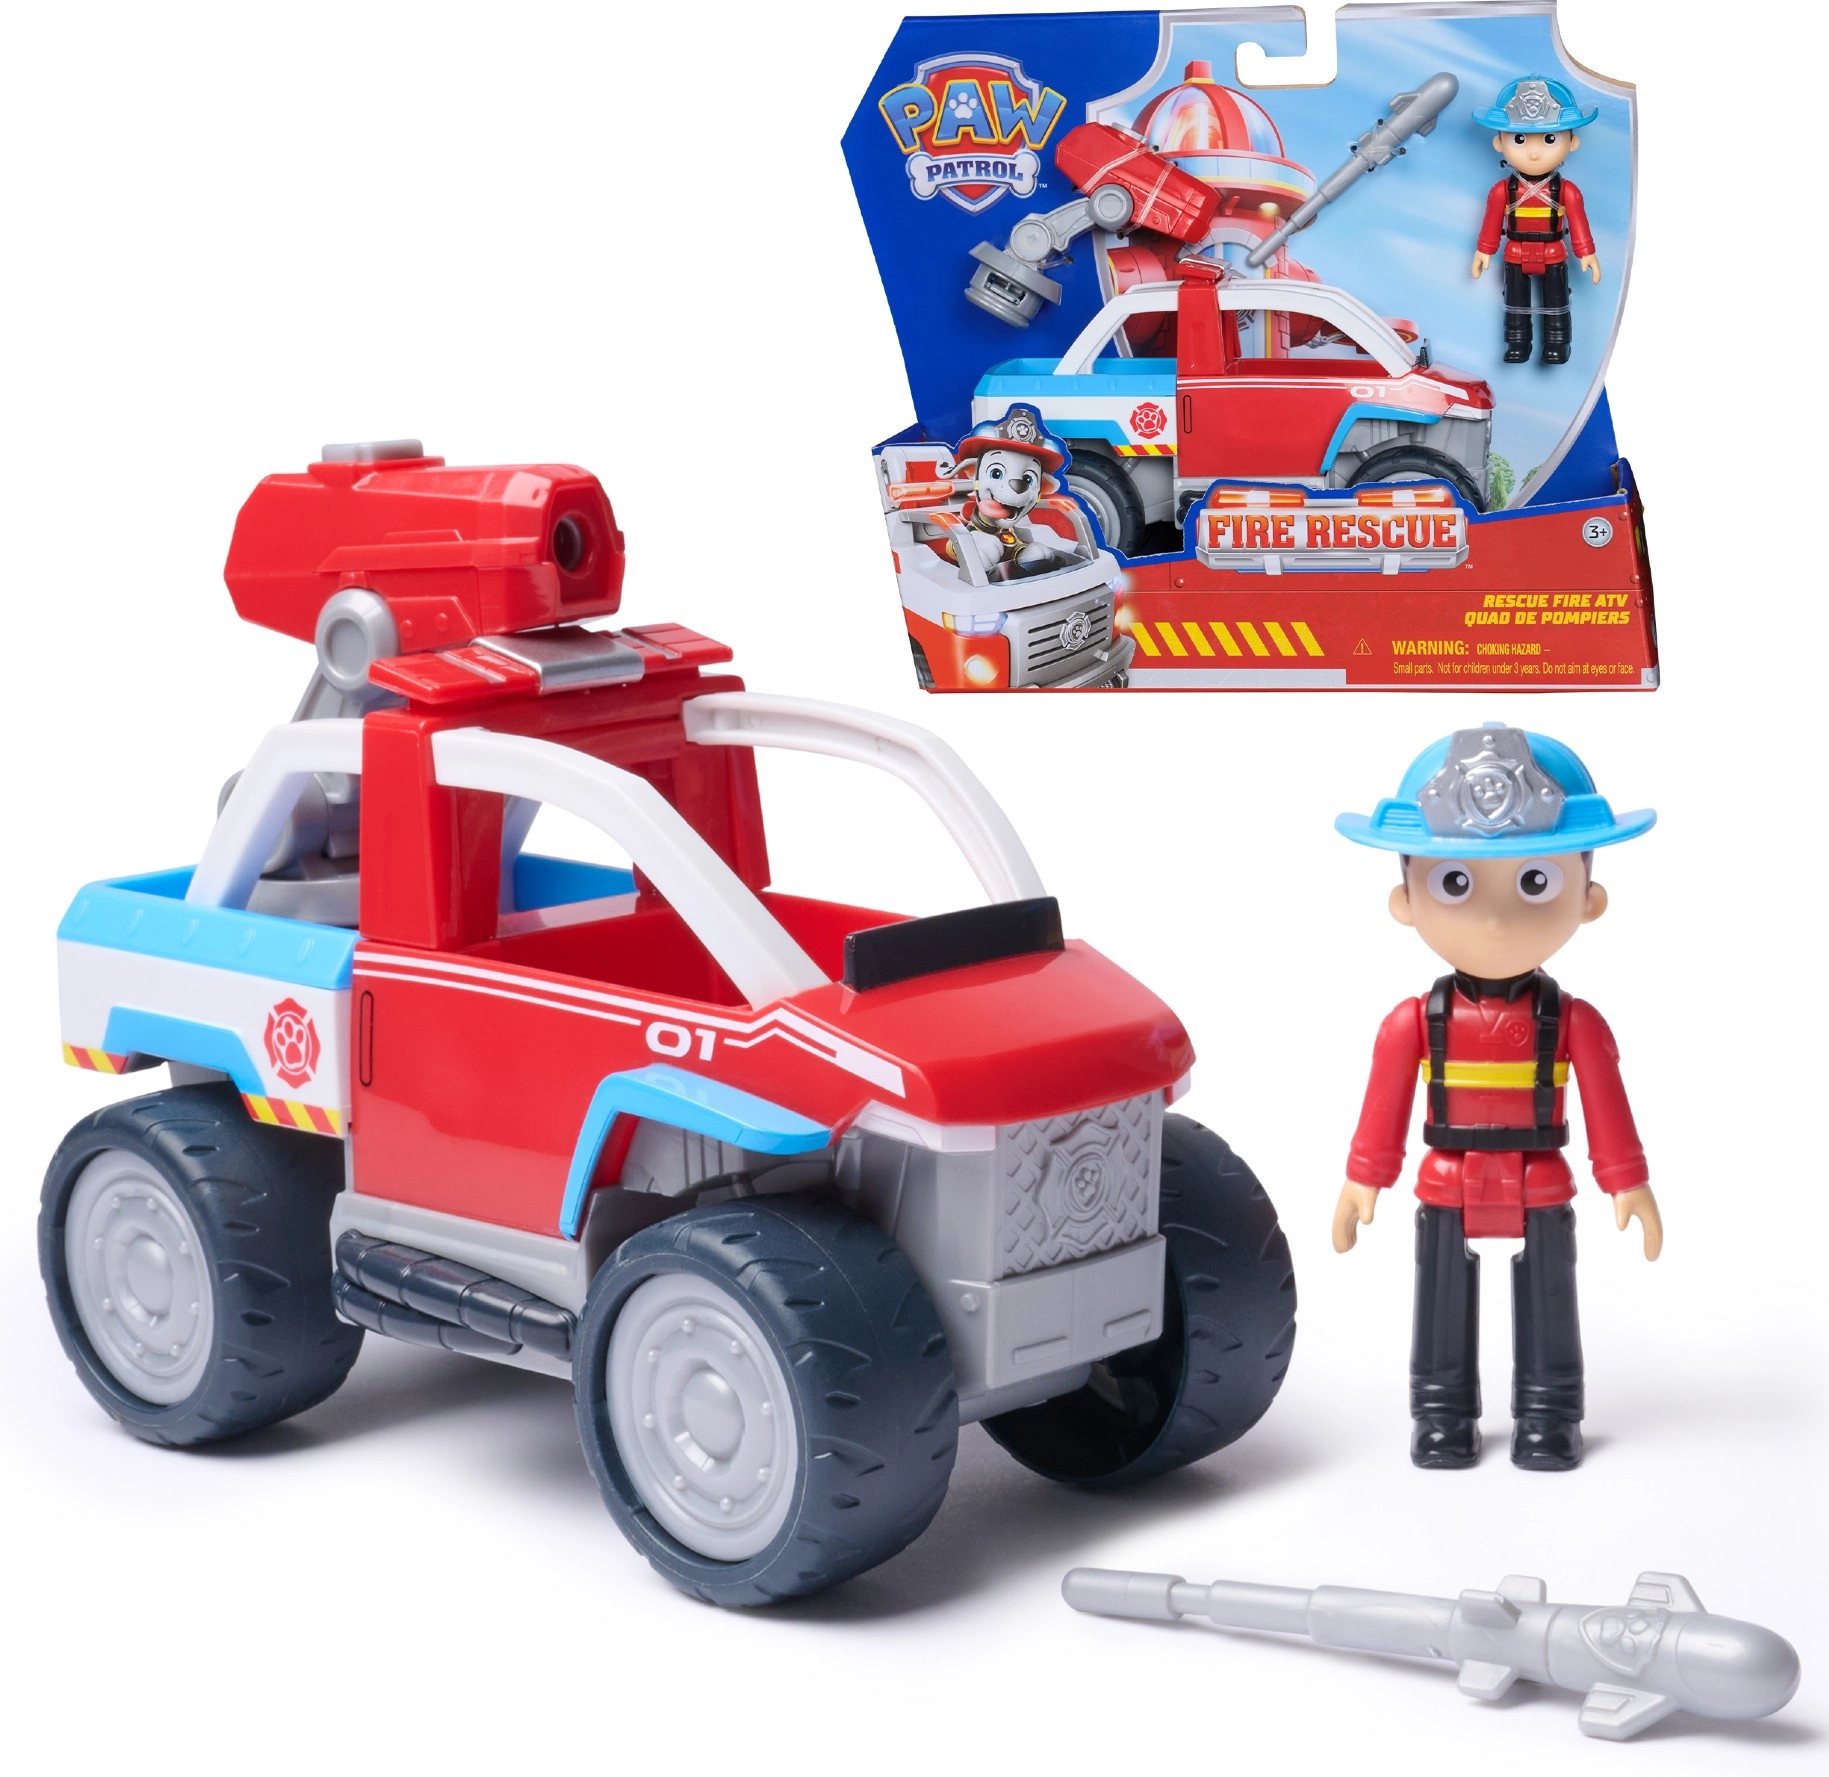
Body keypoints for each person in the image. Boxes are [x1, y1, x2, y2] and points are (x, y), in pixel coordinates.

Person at [1332, 724, 1659, 1470]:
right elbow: (1382, 1109)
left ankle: (1550, 1413)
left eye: (1535, 882)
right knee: (1440, 1296)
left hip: (1541, 1174)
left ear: (1589, 897)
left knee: (1549, 1295)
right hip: (1446, 1174)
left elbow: (1607, 1107)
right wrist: (1362, 1180)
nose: (1493, 918)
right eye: (1455, 882)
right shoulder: (1414, 1022)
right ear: (1405, 899)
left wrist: (1627, 1181)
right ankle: (1440, 1412)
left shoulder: (1572, 1022)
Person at [1471, 77, 1601, 365]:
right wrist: (1484, 251)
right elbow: (1491, 223)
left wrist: (1586, 253)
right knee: (1514, 304)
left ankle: (1558, 344)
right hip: (1515, 252)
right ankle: (1517, 344)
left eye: (1549, 139)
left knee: (1557, 303)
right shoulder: (1502, 191)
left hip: (1553, 252)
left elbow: (1579, 223)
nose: (1533, 152)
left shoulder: (1566, 190)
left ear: (1572, 142)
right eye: (1519, 139)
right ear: (1499, 142)